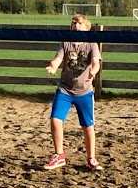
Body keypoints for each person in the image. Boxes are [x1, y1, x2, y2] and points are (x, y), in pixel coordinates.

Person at [44, 14, 102, 171]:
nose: (76, 25)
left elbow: (96, 62)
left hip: (84, 91)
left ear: (87, 27)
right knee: (55, 120)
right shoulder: (66, 42)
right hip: (65, 90)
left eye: (80, 23)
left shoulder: (91, 44)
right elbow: (58, 58)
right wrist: (53, 66)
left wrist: (93, 72)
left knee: (88, 126)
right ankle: (59, 156)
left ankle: (91, 159)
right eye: (74, 23)